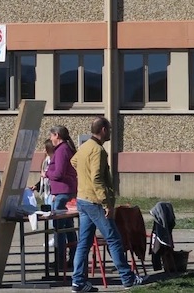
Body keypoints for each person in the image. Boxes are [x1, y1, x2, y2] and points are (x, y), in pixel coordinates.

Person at [70, 117, 146, 292]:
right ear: (103, 130)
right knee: (114, 239)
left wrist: (84, 175)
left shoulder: (84, 147)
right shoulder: (98, 150)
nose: (110, 132)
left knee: (84, 242)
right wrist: (106, 203)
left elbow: (74, 162)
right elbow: (97, 177)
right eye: (109, 129)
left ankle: (78, 282)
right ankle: (127, 278)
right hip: (95, 201)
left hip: (82, 199)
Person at [43, 125, 79, 270]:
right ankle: (71, 258)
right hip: (63, 192)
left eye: (51, 136)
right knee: (68, 227)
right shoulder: (63, 149)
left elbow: (58, 173)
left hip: (63, 193)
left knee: (59, 228)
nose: (50, 139)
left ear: (56, 135)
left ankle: (60, 261)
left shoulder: (62, 150)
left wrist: (46, 173)